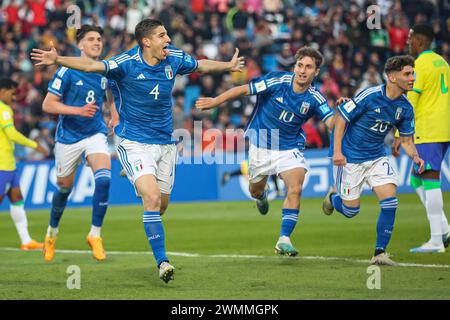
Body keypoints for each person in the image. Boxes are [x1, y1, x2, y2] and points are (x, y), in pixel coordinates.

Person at [32, 18, 244, 283]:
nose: (168, 40)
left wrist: (228, 65)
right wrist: (58, 59)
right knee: (150, 199)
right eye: (162, 35)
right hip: (133, 143)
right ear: (146, 41)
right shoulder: (125, 63)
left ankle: (133, 176)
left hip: (166, 144)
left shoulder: (174, 58)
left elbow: (201, 65)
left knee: (161, 205)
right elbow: (90, 65)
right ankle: (162, 262)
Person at [196, 47, 335, 257]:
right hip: (261, 146)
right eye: (300, 65)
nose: (303, 71)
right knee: (255, 190)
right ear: (294, 66)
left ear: (316, 72)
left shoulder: (316, 98)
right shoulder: (277, 81)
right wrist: (215, 101)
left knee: (295, 188)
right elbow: (243, 89)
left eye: (308, 67)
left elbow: (332, 122)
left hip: (289, 147)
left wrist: (343, 115)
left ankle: (284, 239)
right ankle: (262, 197)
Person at [322, 55, 425, 266]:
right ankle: (333, 197)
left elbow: (406, 140)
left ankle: (380, 252)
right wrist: (338, 152)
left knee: (390, 202)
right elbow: (341, 119)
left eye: (412, 73)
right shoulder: (370, 95)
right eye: (407, 73)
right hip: (350, 156)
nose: (412, 77)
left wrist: (415, 156)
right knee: (351, 211)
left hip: (377, 155)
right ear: (392, 77)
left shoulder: (405, 108)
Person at [40, 25, 114, 263]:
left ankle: (95, 234)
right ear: (80, 46)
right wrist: (77, 110)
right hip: (68, 137)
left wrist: (115, 114)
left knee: (104, 179)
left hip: (95, 132)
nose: (97, 42)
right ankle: (51, 233)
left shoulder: (105, 70)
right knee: (64, 188)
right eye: (91, 39)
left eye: (99, 39)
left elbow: (111, 95)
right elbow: (48, 104)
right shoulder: (67, 70)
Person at [391, 24, 450, 253]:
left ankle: (436, 240)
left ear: (420, 42)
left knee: (429, 178)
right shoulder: (443, 63)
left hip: (427, 128)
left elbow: (411, 101)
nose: (408, 43)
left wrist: (399, 134)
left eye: (411, 39)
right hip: (443, 127)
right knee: (417, 179)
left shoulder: (420, 65)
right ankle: (444, 228)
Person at [0, 78, 48, 250]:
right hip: (2, 166)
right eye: (12, 93)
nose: (14, 97)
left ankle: (26, 240)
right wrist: (35, 145)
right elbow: (11, 134)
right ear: (3, 91)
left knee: (17, 199)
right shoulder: (3, 109)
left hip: (9, 165)